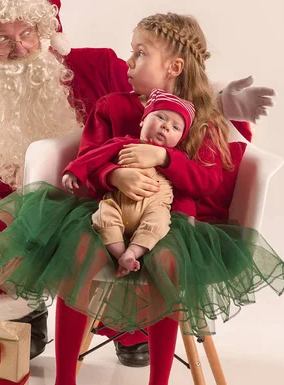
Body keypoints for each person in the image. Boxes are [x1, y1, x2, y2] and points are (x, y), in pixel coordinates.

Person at [0, 0, 275, 364]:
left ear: (44, 27)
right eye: (0, 39)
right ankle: (25, 315)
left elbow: (160, 98)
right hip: (24, 207)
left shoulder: (94, 67)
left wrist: (218, 103)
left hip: (104, 193)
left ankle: (127, 324)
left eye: (27, 32)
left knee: (125, 235)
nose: (20, 48)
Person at [9, 11, 284, 385]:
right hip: (106, 211)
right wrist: (114, 174)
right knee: (79, 250)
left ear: (174, 66)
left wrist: (164, 158)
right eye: (131, 51)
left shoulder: (201, 120)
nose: (128, 60)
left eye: (140, 53)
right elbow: (86, 159)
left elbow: (213, 182)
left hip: (174, 223)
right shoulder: (113, 107)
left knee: (167, 262)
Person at [64, 90, 196, 277]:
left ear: (180, 139)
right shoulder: (123, 143)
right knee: (104, 216)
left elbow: (184, 192)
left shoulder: (175, 159)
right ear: (143, 120)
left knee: (160, 221)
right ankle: (120, 254)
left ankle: (132, 252)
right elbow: (94, 156)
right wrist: (74, 170)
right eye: (160, 117)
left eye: (176, 128)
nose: (166, 126)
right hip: (117, 203)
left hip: (153, 208)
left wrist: (187, 217)